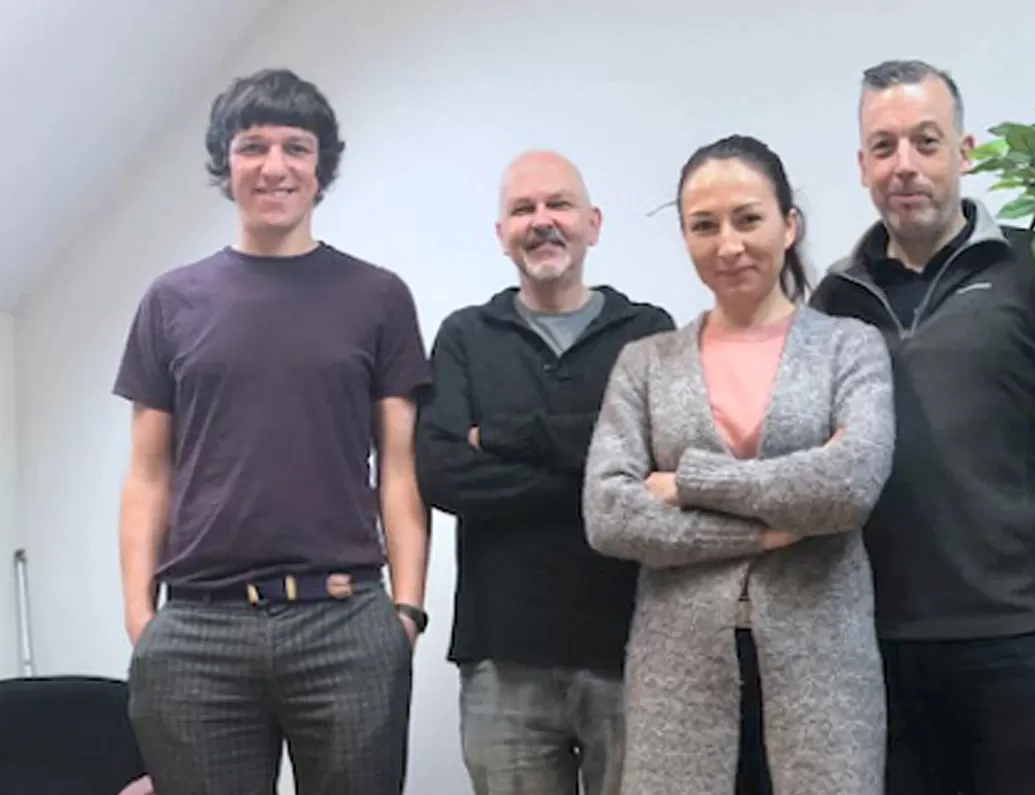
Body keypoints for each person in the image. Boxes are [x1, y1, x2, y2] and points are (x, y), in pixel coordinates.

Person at [112, 68, 431, 795]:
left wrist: (404, 614)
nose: (274, 166)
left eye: (296, 147)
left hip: (345, 620)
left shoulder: (377, 297)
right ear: (226, 163)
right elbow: (147, 474)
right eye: (253, 146)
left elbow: (401, 469)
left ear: (322, 168)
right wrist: (142, 619)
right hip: (197, 629)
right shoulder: (171, 302)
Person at [809, 60, 1035, 795]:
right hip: (879, 642)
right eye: (884, 147)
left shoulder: (1034, 269)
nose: (904, 165)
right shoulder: (834, 299)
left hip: (1019, 638)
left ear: (964, 151)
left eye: (925, 141)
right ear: (862, 166)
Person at [582, 134, 896, 795]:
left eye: (748, 218)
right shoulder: (646, 362)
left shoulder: (849, 347)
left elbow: (850, 483)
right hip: (678, 672)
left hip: (824, 666)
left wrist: (693, 481)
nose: (728, 244)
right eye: (704, 225)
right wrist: (762, 534)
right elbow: (610, 512)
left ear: (789, 224)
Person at [414, 149, 674, 795]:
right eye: (522, 209)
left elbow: (660, 456)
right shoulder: (466, 336)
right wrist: (603, 472)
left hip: (632, 650)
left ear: (594, 222)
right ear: (501, 234)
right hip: (504, 659)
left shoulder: (648, 333)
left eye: (558, 204)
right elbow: (444, 472)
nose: (541, 220)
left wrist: (505, 439)